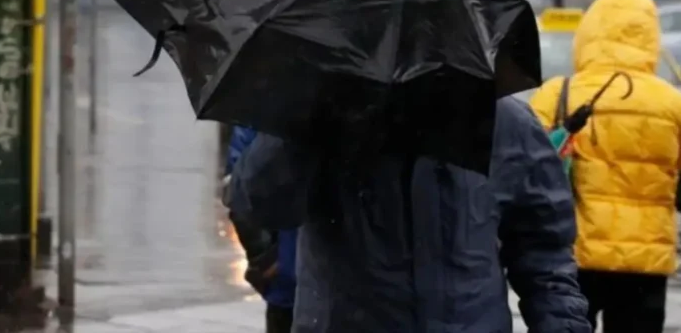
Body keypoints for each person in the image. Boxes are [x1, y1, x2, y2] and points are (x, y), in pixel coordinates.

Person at [225, 98, 591, 332]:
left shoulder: (502, 120)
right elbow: (256, 203)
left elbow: (543, 249)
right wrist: (307, 118)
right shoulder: (324, 112)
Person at [529, 0, 681, 333]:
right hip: (645, 259)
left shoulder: (556, 94)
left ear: (589, 35)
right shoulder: (673, 103)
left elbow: (526, 160)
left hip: (574, 253)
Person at [223, 126, 298, 333]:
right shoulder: (267, 110)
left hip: (357, 288)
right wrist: (264, 257)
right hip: (289, 283)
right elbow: (238, 191)